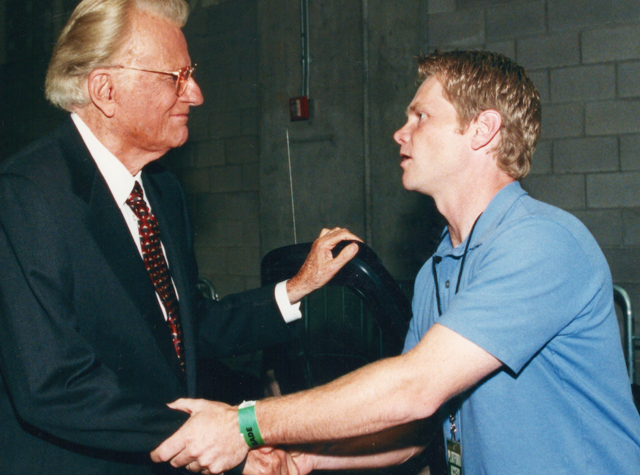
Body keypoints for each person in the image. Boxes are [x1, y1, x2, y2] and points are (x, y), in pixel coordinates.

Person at [151, 50, 640, 475]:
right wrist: (306, 458)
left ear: (483, 130)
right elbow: (414, 426)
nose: (399, 133)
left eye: (420, 117)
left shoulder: (541, 242)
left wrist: (247, 423)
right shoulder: (438, 270)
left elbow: (414, 388)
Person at [0, 0, 360, 474]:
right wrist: (212, 443)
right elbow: (54, 384)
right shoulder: (27, 196)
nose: (196, 94)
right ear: (105, 90)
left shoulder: (162, 191)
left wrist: (295, 289)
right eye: (177, 77)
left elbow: (185, 327)